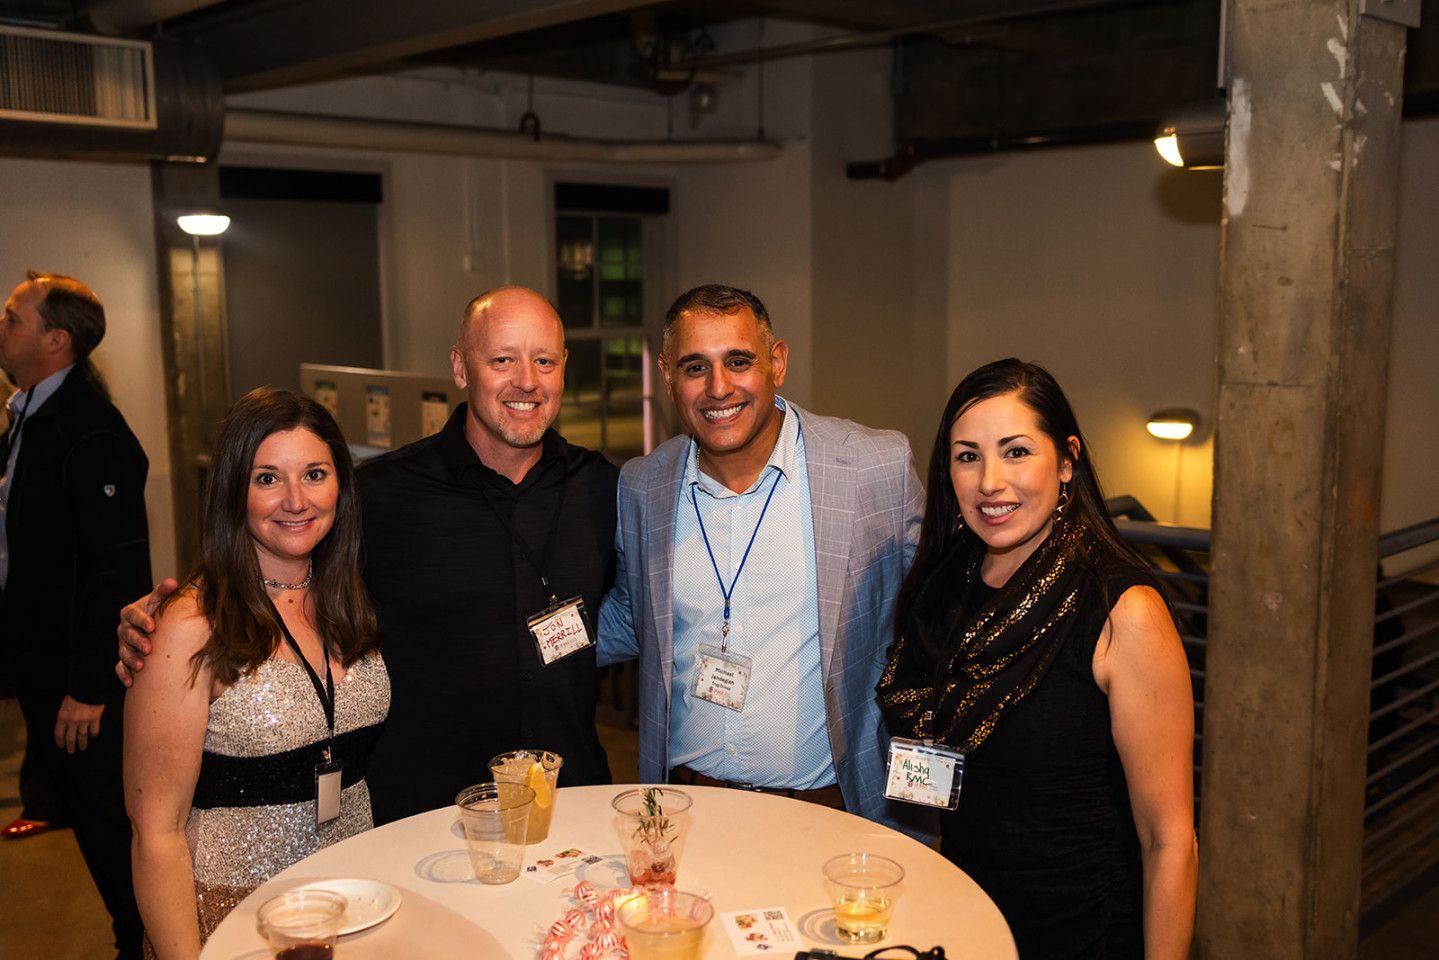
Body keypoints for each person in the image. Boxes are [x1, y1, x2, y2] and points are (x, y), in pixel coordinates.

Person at [120, 287, 616, 824]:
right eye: (502, 359)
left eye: (544, 360)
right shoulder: (377, 496)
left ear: (564, 367)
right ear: (459, 366)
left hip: (573, 809)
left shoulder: (604, 491)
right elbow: (280, 573)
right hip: (423, 823)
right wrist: (175, 622)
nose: (526, 380)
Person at [876, 358, 1197, 958]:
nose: (990, 481)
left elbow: (1169, 839)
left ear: (1068, 460)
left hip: (1082, 932)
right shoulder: (946, 585)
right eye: (967, 456)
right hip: (966, 919)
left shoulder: (1122, 610)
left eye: (1016, 451)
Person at [598, 284, 929, 837]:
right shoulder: (642, 484)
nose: (718, 387)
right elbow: (633, 618)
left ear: (777, 363)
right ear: (667, 375)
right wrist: (513, 646)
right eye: (695, 367)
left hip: (829, 814)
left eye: (739, 361)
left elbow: (934, 614)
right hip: (684, 813)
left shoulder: (874, 469)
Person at [125, 388, 389, 958]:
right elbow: (156, 833)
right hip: (234, 917)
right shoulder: (191, 625)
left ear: (341, 485)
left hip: (355, 908)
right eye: (267, 478)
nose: (295, 499)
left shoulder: (350, 597)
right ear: (232, 493)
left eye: (314, 474)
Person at [0, 271, 147, 958]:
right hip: (38, 661)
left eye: (13, 318)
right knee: (81, 814)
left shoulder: (89, 430)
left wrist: (92, 687)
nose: (2, 328)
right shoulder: (29, 412)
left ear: (55, 340)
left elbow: (118, 569)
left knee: (106, 820)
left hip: (76, 678)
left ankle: (142, 941)